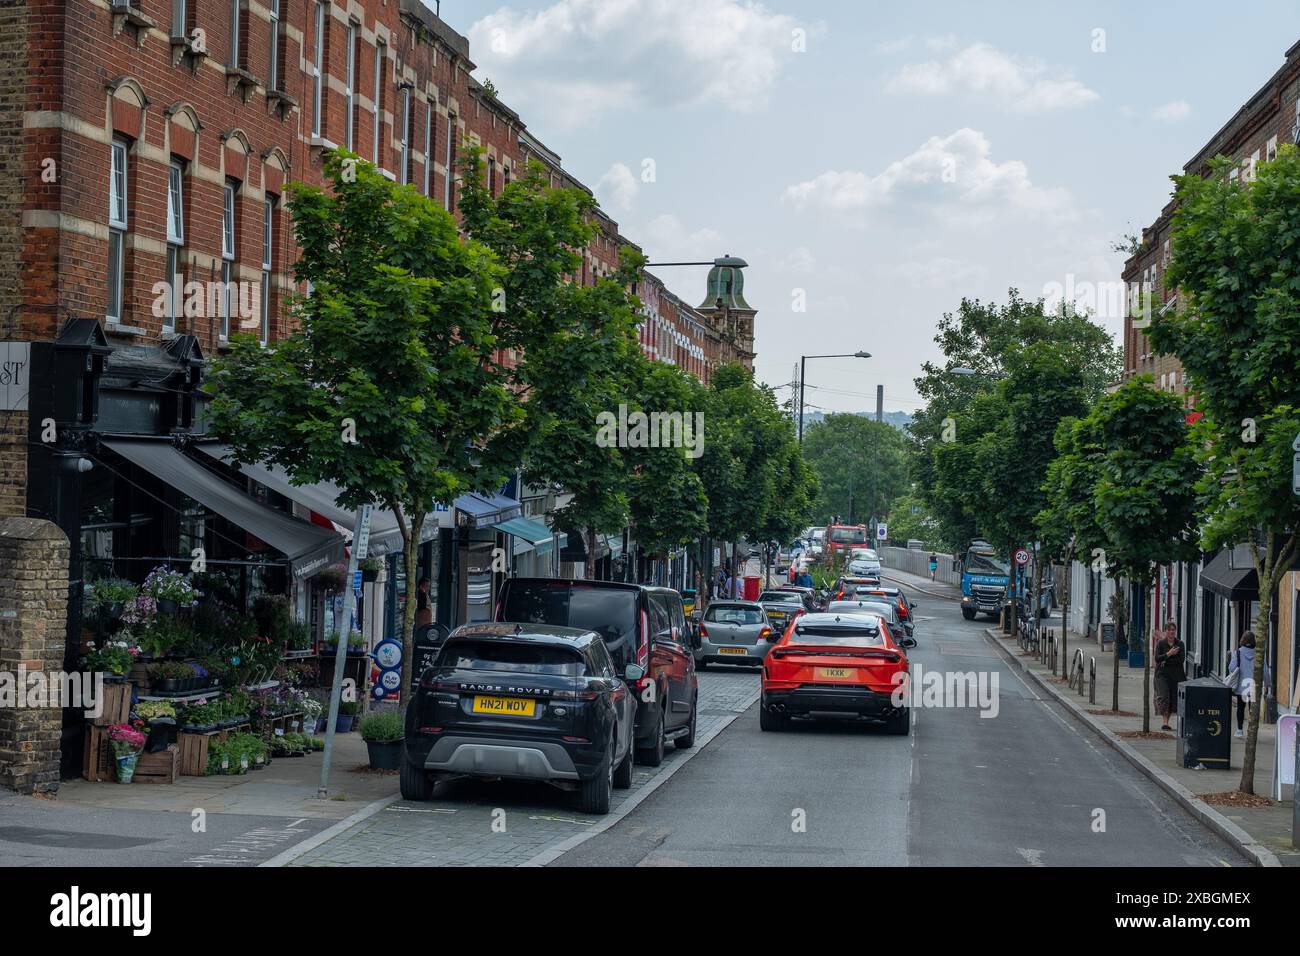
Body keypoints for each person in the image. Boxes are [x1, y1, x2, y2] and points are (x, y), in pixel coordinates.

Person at [1227, 632, 1268, 739]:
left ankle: (1239, 730)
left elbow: (1232, 668)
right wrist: (1268, 683)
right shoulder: (1258, 654)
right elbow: (1265, 671)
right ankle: (1251, 730)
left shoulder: (1238, 653)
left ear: (1243, 640)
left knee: (1240, 708)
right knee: (1252, 709)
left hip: (1241, 686)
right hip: (1254, 687)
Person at [1152, 623, 1186, 731]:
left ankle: (1166, 722)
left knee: (1172, 698)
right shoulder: (1161, 644)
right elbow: (1157, 659)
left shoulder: (1180, 644)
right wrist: (1169, 654)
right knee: (1164, 696)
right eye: (1169, 630)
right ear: (1166, 631)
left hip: (1176, 675)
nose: (1172, 632)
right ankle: (1164, 721)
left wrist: (1166, 660)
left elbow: (1180, 660)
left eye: (1173, 630)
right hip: (1162, 675)